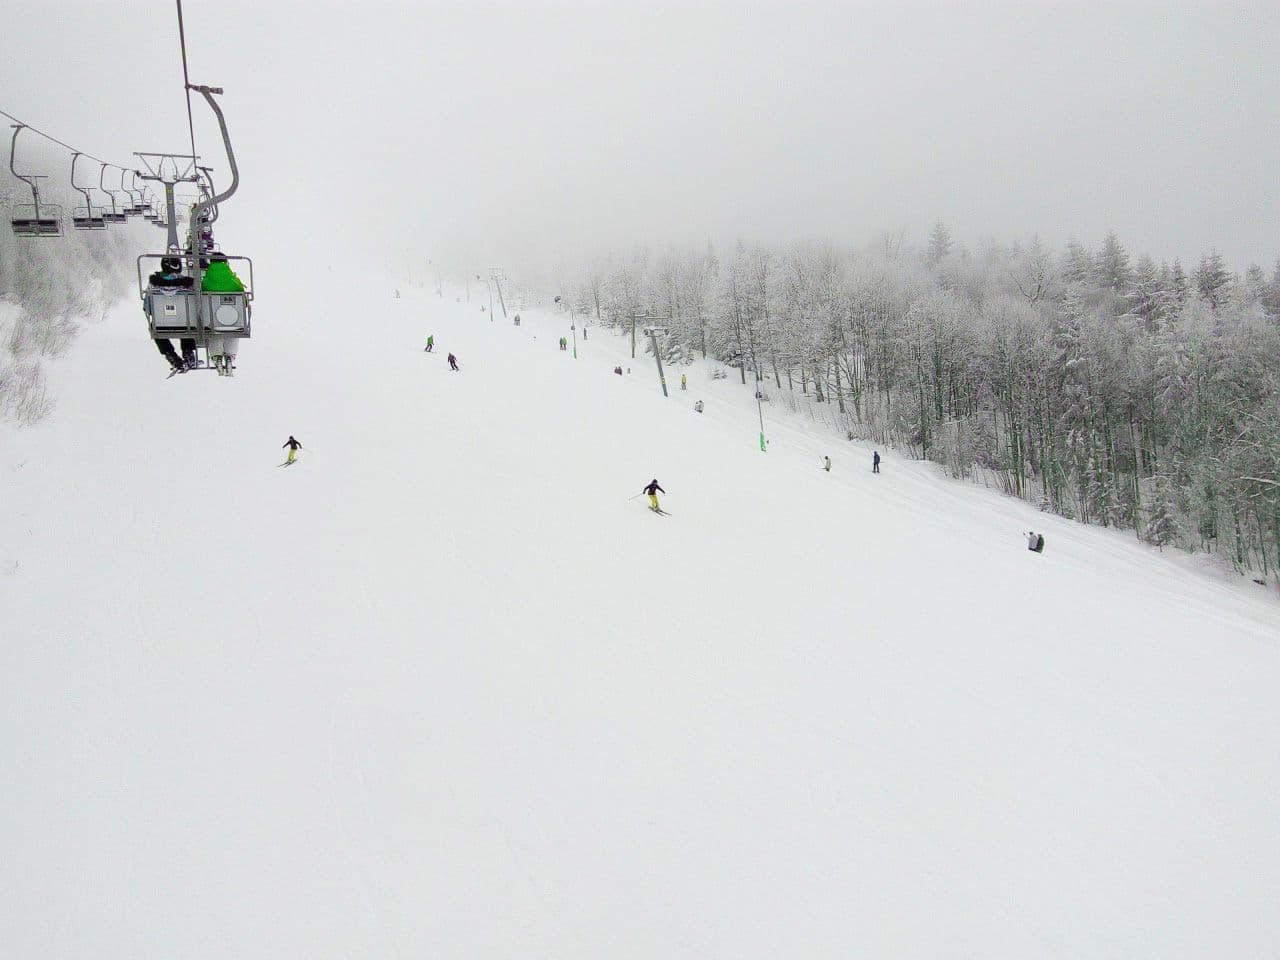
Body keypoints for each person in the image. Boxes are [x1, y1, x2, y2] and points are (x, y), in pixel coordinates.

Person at [148, 256, 198, 372]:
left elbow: (148, 306)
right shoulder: (187, 284)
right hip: (184, 322)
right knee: (188, 318)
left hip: (161, 324)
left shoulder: (153, 285)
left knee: (154, 327)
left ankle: (170, 355)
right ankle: (188, 351)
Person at [202, 253, 246, 376]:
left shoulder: (205, 282)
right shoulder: (234, 281)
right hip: (233, 320)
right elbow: (244, 301)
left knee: (214, 330)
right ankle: (230, 356)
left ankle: (216, 356)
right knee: (234, 329)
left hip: (212, 322)